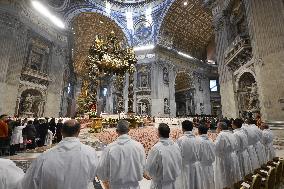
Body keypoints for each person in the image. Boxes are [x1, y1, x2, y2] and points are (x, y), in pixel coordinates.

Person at [20, 120, 98, 189]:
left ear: (62, 132)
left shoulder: (44, 157)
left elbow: (29, 183)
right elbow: (92, 176)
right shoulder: (90, 153)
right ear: (78, 132)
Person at [97, 120, 146, 189]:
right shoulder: (138, 146)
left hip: (115, 186)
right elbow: (143, 167)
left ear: (116, 131)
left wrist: (105, 183)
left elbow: (101, 169)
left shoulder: (110, 148)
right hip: (134, 186)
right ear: (129, 130)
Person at [145, 123, 182, 189]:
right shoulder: (176, 145)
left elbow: (150, 170)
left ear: (158, 133)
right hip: (174, 183)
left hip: (160, 185)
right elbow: (179, 162)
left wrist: (147, 174)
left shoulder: (156, 148)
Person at [214, 122, 241, 189]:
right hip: (231, 156)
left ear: (220, 128)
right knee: (230, 174)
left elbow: (216, 148)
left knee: (224, 176)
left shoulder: (221, 135)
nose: (216, 128)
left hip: (223, 158)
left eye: (217, 127)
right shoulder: (231, 133)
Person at [176, 120, 202, 189]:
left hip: (185, 166)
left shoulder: (181, 140)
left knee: (186, 184)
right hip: (196, 165)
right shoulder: (198, 139)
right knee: (195, 184)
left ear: (183, 128)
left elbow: (177, 155)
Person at [197, 124, 215, 189]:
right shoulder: (210, 140)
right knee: (209, 182)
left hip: (201, 166)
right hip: (210, 165)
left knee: (202, 183)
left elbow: (197, 154)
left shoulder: (197, 140)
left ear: (198, 131)